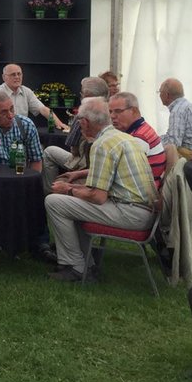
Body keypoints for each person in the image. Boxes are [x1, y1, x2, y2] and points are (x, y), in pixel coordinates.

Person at [45, 97, 158, 282]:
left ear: (85, 122)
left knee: (54, 202)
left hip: (132, 214)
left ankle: (76, 267)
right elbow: (108, 181)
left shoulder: (101, 144)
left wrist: (68, 190)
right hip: (145, 211)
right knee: (74, 201)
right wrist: (76, 180)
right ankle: (86, 262)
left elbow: (97, 196)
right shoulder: (122, 137)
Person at [42, 76, 110, 193]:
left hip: (84, 165)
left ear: (87, 95)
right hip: (105, 167)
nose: (80, 94)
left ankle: (50, 191)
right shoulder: (112, 112)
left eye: (82, 92)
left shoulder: (83, 115)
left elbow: (73, 148)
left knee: (49, 152)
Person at [109, 92, 171, 188]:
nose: (112, 116)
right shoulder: (141, 129)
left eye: (118, 111)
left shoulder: (139, 138)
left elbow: (123, 176)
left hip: (141, 196)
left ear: (133, 111)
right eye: (110, 112)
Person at [0, 64, 68, 131]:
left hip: (22, 131)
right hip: (4, 131)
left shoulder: (26, 91)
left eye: (19, 74)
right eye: (13, 74)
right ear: (4, 77)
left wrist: (59, 123)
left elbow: (43, 109)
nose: (17, 77)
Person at [158, 78, 192, 160]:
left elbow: (173, 143)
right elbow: (172, 136)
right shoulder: (184, 105)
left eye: (160, 92)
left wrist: (154, 144)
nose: (159, 95)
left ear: (167, 95)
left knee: (162, 152)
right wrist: (156, 139)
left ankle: (168, 173)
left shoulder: (177, 111)